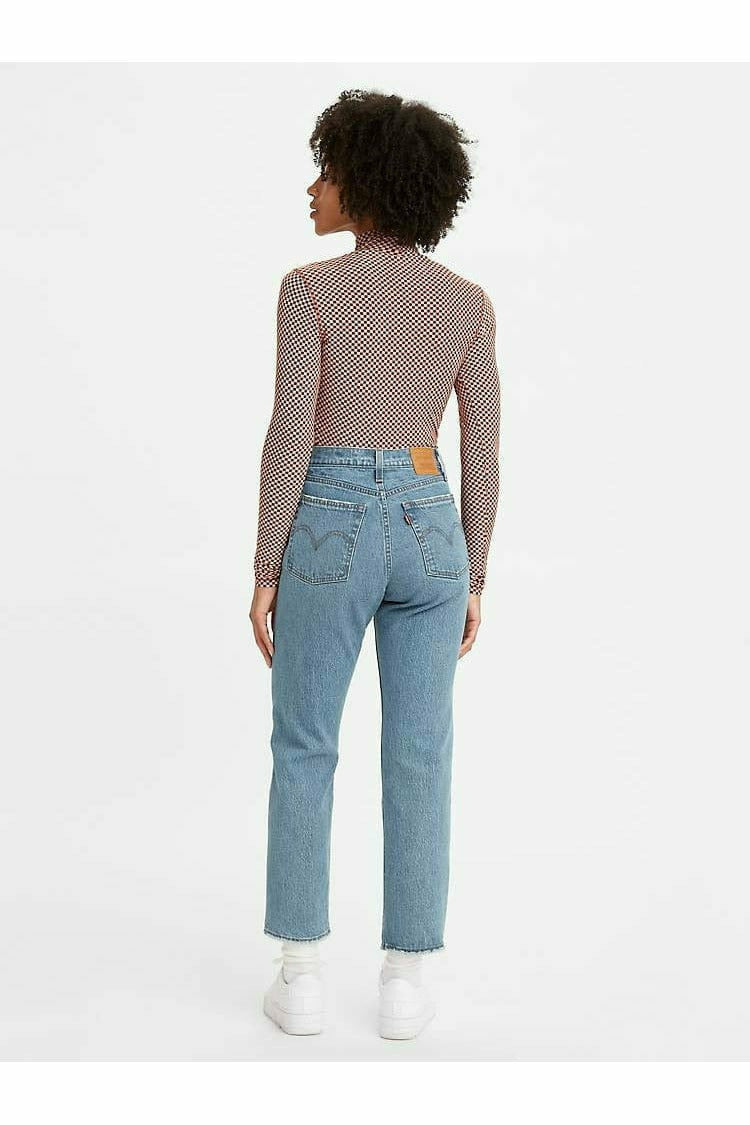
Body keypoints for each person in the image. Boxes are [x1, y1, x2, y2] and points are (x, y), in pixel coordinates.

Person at [250, 89, 501, 1039]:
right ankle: (405, 978)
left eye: (326, 172)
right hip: (433, 526)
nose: (313, 189)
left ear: (364, 182)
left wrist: (266, 567)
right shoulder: (467, 303)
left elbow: (291, 433)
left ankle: (302, 975)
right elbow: (482, 447)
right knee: (421, 753)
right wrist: (475, 572)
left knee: (305, 745)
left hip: (330, 519)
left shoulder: (310, 290)